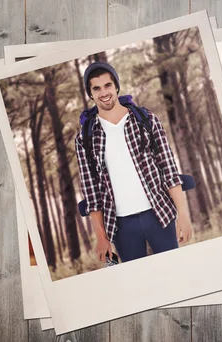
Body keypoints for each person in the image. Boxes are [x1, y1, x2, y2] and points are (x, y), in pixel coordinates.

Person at [75, 61, 193, 263]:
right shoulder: (85, 139)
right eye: (96, 88)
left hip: (159, 214)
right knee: (139, 286)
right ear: (90, 94)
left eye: (108, 85)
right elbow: (91, 192)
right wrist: (101, 237)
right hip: (121, 226)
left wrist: (183, 213)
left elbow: (169, 170)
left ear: (116, 86)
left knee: (175, 273)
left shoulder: (145, 121)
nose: (104, 92)